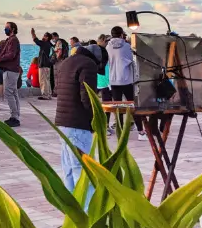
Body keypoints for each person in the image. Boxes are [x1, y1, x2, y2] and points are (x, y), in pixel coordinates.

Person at [55, 41, 98, 193]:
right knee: (83, 170)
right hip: (78, 123)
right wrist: (95, 120)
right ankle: (88, 212)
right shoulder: (89, 65)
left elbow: (57, 90)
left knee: (68, 168)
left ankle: (73, 212)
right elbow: (87, 97)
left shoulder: (66, 62)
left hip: (62, 122)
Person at [107, 26, 145, 140]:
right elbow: (131, 61)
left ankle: (121, 132)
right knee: (132, 106)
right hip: (127, 79)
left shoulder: (108, 47)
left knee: (118, 107)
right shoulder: (127, 46)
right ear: (121, 34)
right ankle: (140, 132)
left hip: (113, 80)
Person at [0, 21, 22, 128]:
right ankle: (16, 115)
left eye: (7, 28)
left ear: (13, 29)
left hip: (10, 70)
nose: (5, 29)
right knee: (14, 93)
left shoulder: (13, 40)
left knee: (9, 93)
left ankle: (14, 117)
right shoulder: (11, 40)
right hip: (11, 70)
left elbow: (10, 55)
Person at [32, 29, 54, 100]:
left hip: (43, 64)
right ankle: (49, 94)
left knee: (43, 80)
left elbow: (36, 40)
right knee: (47, 80)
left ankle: (45, 95)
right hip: (48, 64)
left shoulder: (44, 44)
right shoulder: (50, 45)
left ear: (47, 37)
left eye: (44, 36)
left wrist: (33, 33)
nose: (43, 37)